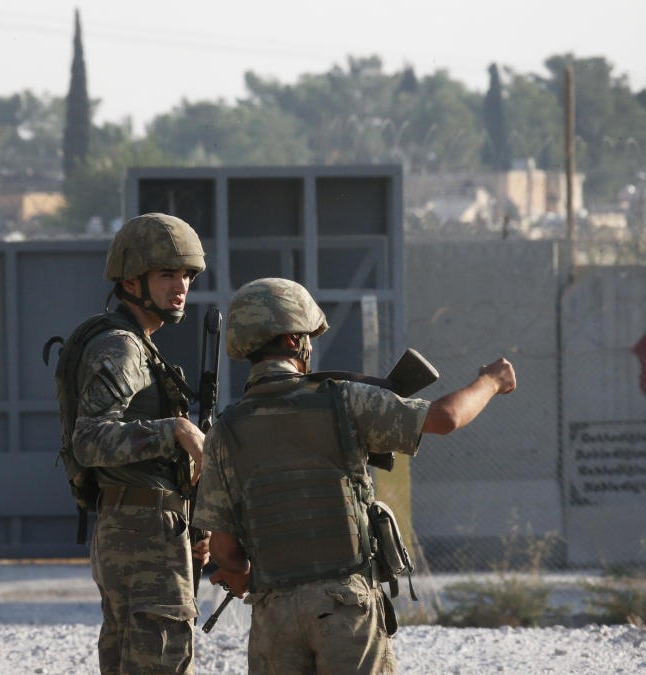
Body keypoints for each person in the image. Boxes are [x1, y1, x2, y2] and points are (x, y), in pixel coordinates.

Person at [192, 277, 517, 674]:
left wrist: (242, 576)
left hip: (273, 614)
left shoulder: (225, 430)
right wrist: (491, 381)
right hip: (345, 608)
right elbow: (445, 418)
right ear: (294, 342)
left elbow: (225, 551)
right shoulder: (344, 400)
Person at [68, 213, 210, 674]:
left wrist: (195, 522)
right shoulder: (122, 346)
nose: (181, 286)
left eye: (187, 275)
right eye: (167, 274)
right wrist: (175, 431)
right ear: (131, 281)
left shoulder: (139, 344)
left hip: (145, 526)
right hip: (141, 531)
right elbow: (88, 439)